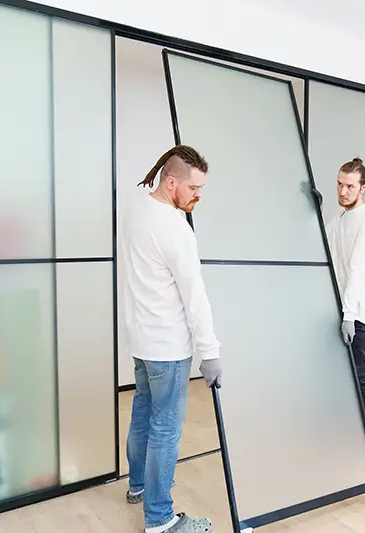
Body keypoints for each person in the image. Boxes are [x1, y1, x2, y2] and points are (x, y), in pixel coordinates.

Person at [121, 145, 221, 533]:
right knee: (165, 427)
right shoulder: (175, 227)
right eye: (194, 188)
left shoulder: (136, 210)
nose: (198, 195)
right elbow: (194, 296)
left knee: (143, 413)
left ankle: (138, 486)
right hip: (167, 347)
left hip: (142, 342)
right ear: (172, 181)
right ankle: (160, 519)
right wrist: (210, 352)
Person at [326, 157, 365, 438]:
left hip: (356, 313)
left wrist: (349, 314)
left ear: (363, 187)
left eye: (349, 186)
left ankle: (364, 443)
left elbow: (358, 269)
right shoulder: (337, 219)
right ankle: (342, 435)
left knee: (362, 375)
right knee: (338, 377)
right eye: (339, 184)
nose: (342, 191)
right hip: (336, 310)